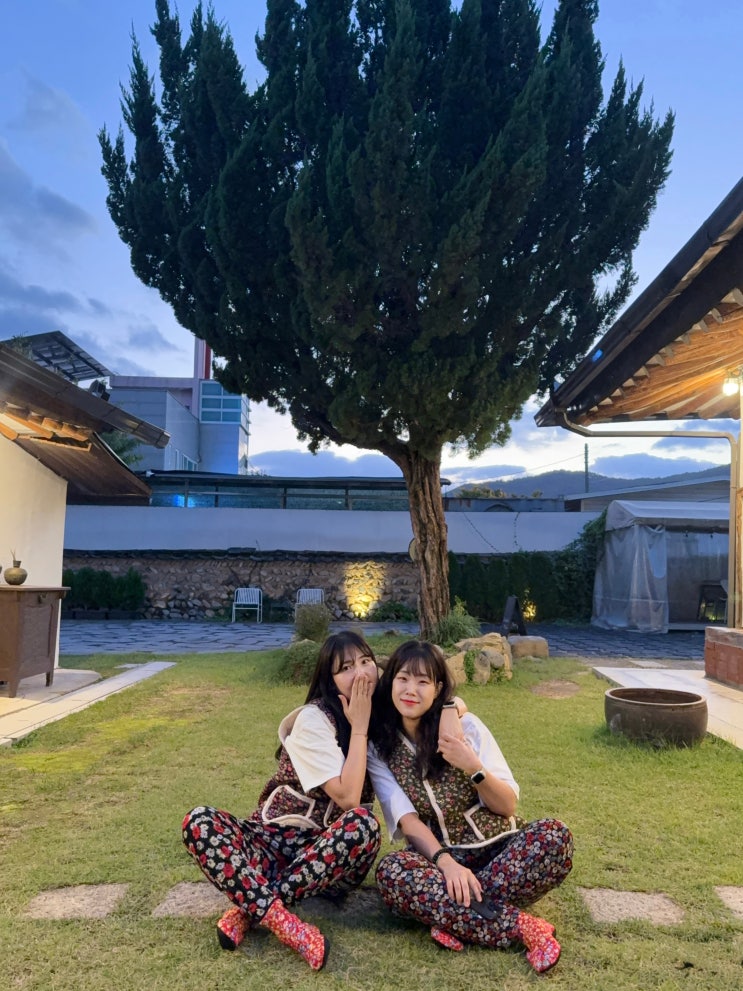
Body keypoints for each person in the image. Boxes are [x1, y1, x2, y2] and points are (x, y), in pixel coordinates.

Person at [368, 639, 573, 974]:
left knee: (554, 836)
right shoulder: (380, 748)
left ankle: (452, 916)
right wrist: (446, 864)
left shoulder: (469, 727)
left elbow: (507, 806)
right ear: (390, 682)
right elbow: (408, 821)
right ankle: (521, 927)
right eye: (402, 678)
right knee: (391, 872)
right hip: (438, 861)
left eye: (423, 682)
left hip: (498, 850)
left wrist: (473, 767)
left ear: (438, 689)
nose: (410, 690)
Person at [182, 631, 382, 971]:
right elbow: (347, 795)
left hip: (332, 861)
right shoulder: (313, 720)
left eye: (366, 662)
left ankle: (250, 909)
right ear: (329, 679)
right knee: (199, 821)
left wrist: (454, 706)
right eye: (346, 668)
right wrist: (360, 728)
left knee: (364, 824)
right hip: (273, 843)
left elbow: (434, 695)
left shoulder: (382, 713)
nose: (361, 674)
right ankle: (286, 924)